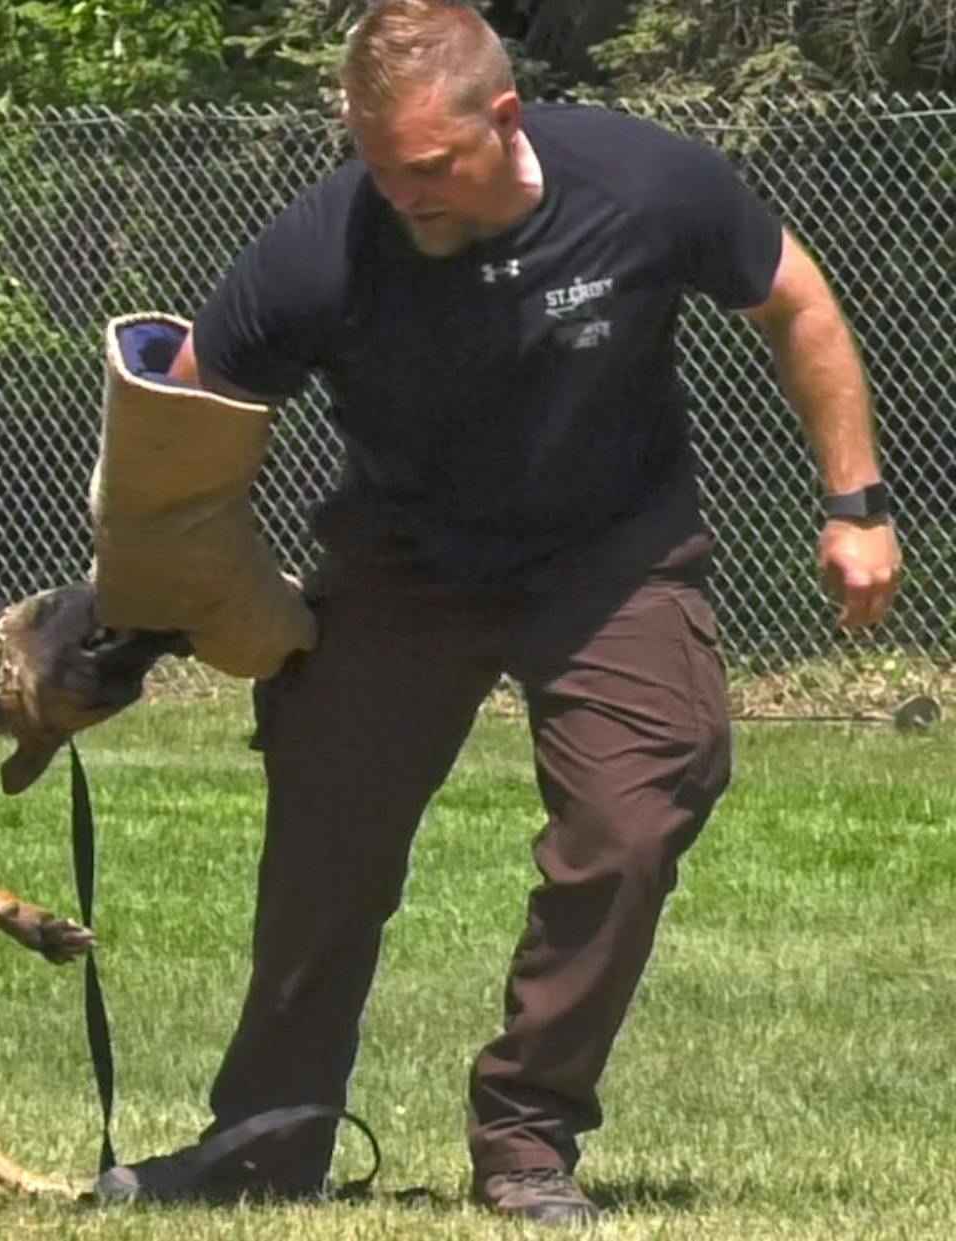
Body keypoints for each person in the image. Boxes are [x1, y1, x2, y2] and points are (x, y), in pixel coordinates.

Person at [91, 0, 903, 1225]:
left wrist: (853, 501)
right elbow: (182, 433)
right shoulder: (324, 248)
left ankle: (526, 1133)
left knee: (634, 817)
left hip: (610, 553)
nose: (400, 195)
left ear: (501, 118)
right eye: (375, 166)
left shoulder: (640, 181)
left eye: (425, 169)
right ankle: (267, 1137)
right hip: (400, 564)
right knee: (325, 854)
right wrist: (163, 604)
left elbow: (795, 304)